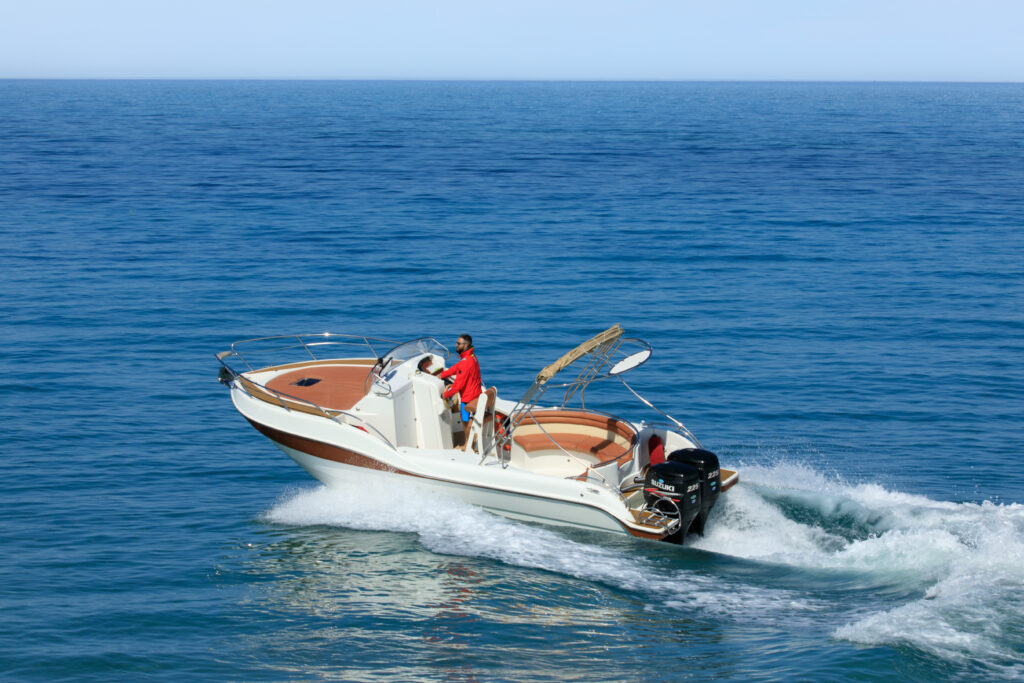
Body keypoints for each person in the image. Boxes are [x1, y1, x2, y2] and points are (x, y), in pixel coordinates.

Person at [438, 334, 482, 447]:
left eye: (459, 344)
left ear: (466, 345)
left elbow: (458, 386)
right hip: (476, 393)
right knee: (465, 420)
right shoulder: (471, 357)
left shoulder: (465, 362)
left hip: (468, 398)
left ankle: (467, 444)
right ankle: (470, 441)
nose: (456, 345)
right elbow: (457, 368)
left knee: (465, 421)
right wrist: (443, 374)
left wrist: (445, 395)